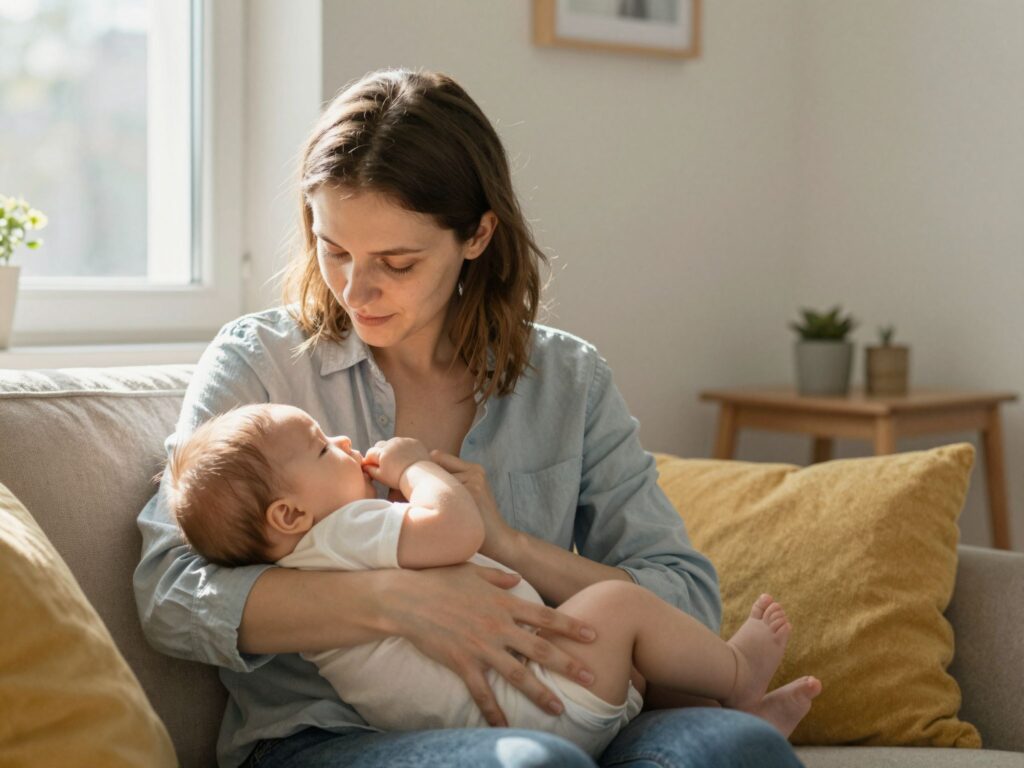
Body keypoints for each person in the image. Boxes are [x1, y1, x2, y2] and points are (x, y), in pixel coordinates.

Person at [135, 67, 818, 767]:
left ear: (477, 235)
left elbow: (685, 595)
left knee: (739, 748)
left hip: (563, 706)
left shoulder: (566, 378)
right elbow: (170, 591)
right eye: (333, 249)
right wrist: (394, 603)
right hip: (330, 737)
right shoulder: (264, 363)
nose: (354, 289)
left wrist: (512, 546)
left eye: (396, 262)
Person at [163, 402, 820, 757]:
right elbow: (455, 532)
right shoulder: (343, 531)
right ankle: (737, 673)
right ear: (289, 514)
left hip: (508, 707)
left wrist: (514, 546)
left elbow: (678, 579)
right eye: (318, 445)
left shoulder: (316, 550)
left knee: (699, 722)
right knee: (620, 606)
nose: (340, 440)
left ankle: (741, 713)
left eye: (398, 260)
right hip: (530, 706)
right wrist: (418, 470)